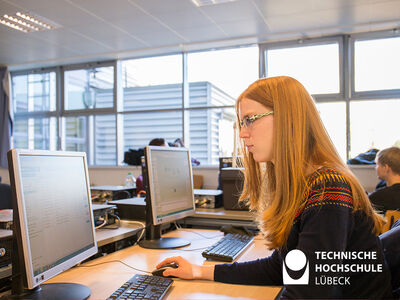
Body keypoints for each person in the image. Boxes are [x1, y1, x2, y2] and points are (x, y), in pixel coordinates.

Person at [155, 76, 393, 299]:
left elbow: (308, 295)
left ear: (290, 118)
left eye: (250, 120)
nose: (242, 133)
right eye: (241, 122)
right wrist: (199, 271)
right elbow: (282, 267)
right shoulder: (304, 185)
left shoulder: (327, 189)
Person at [369, 147, 400, 214]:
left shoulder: (378, 197)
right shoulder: (381, 188)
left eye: (377, 164)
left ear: (386, 167)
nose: (376, 168)